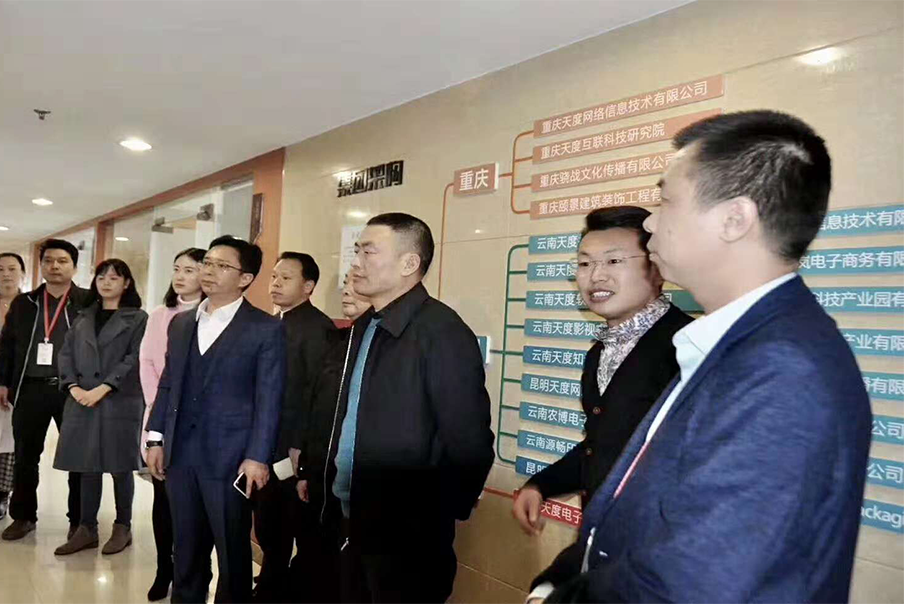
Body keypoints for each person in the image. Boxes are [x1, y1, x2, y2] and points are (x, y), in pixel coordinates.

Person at [532, 111, 872, 603]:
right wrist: (563, 577)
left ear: (735, 219)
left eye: (666, 202)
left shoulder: (783, 367)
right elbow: (635, 498)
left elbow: (698, 577)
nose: (651, 222)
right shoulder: (732, 343)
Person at [331, 213, 494, 603]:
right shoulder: (367, 326)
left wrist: (434, 514)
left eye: (369, 252)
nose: (357, 262)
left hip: (407, 534)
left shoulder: (441, 332)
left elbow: (469, 439)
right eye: (357, 251)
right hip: (358, 516)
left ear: (409, 263)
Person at [513, 207, 692, 538]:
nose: (596, 276)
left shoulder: (689, 348)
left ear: (657, 268)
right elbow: (603, 446)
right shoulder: (600, 352)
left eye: (613, 261)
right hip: (605, 541)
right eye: (585, 264)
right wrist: (542, 485)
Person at [146, 235, 286, 603]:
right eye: (207, 263)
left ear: (245, 278)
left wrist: (257, 457)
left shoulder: (265, 328)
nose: (209, 271)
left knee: (232, 552)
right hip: (180, 455)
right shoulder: (181, 324)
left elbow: (269, 398)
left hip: (232, 459)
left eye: (222, 266)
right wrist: (155, 437)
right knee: (185, 548)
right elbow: (167, 383)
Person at [252, 251, 336, 602]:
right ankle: (271, 582)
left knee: (289, 525)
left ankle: (276, 589)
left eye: (286, 278)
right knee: (268, 523)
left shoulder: (318, 329)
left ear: (308, 286)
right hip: (265, 445)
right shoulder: (272, 323)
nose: (275, 283)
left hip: (293, 450)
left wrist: (301, 446)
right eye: (274, 276)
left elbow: (316, 395)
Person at [0, 239, 89, 541]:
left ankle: (79, 521)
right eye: (48, 261)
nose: (54, 266)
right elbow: (7, 344)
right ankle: (23, 517)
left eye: (62, 261)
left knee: (78, 457)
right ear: (41, 266)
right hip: (30, 388)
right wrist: (2, 382)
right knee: (25, 456)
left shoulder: (88, 302)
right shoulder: (26, 303)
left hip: (73, 390)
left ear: (74, 267)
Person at [53, 259, 148, 555]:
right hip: (81, 399)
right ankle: (86, 528)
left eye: (114, 278)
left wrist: (104, 387)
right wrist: (73, 387)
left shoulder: (138, 318)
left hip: (119, 399)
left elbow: (135, 358)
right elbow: (65, 354)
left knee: (120, 466)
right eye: (101, 277)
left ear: (127, 283)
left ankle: (123, 526)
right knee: (86, 466)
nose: (106, 282)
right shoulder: (83, 316)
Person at [293, 272, 371, 603]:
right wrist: (306, 470)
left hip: (357, 487)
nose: (347, 291)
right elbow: (315, 407)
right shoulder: (338, 343)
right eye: (346, 284)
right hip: (321, 478)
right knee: (316, 561)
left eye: (357, 284)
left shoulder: (381, 349)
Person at [139, 247, 206, 601]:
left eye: (189, 270)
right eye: (177, 268)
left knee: (195, 506)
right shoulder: (159, 315)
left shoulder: (213, 315)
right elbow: (147, 363)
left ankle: (193, 571)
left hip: (200, 425)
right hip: (162, 420)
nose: (180, 276)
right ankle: (164, 569)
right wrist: (161, 411)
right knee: (163, 501)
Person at [0, 253, 26, 522]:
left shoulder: (30, 306)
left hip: (16, 383)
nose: (6, 274)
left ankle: (1, 494)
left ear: (22, 272)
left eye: (12, 268)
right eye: (0, 269)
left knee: (10, 440)